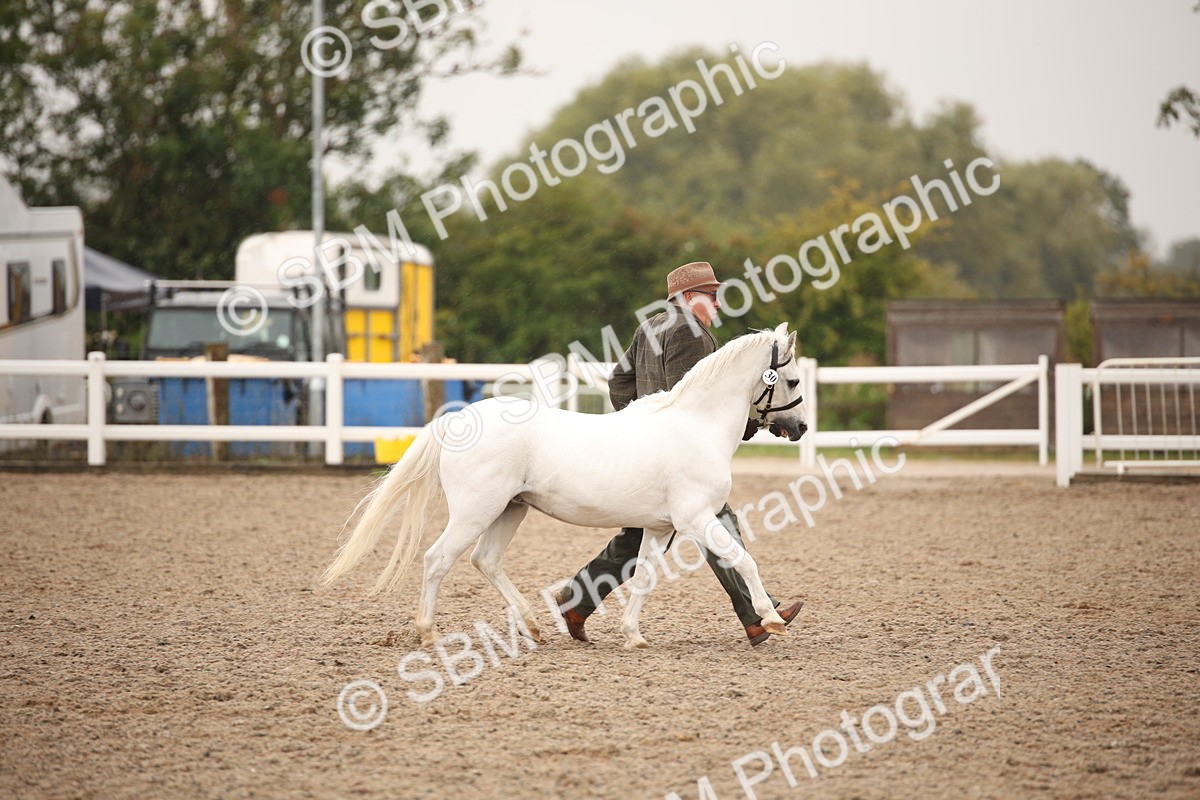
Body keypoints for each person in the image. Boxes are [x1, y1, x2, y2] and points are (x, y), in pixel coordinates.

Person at [554, 261, 803, 646]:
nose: (719, 304)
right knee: (717, 524)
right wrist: (749, 425)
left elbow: (619, 379)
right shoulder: (693, 335)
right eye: (712, 295)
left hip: (648, 455)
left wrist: (633, 424)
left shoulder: (649, 326)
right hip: (681, 457)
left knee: (638, 536)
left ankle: (578, 599)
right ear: (689, 298)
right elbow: (698, 403)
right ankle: (756, 613)